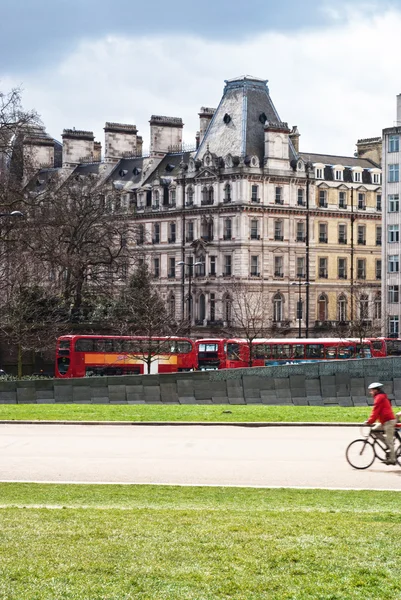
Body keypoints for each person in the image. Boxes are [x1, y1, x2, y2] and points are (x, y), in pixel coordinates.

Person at [365, 382, 397, 465]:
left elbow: (375, 411)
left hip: (389, 421)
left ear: (376, 390)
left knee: (390, 441)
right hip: (385, 421)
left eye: (371, 390)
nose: (370, 392)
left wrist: (369, 421)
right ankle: (387, 444)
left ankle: (392, 460)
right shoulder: (380, 396)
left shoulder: (379, 398)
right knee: (374, 430)